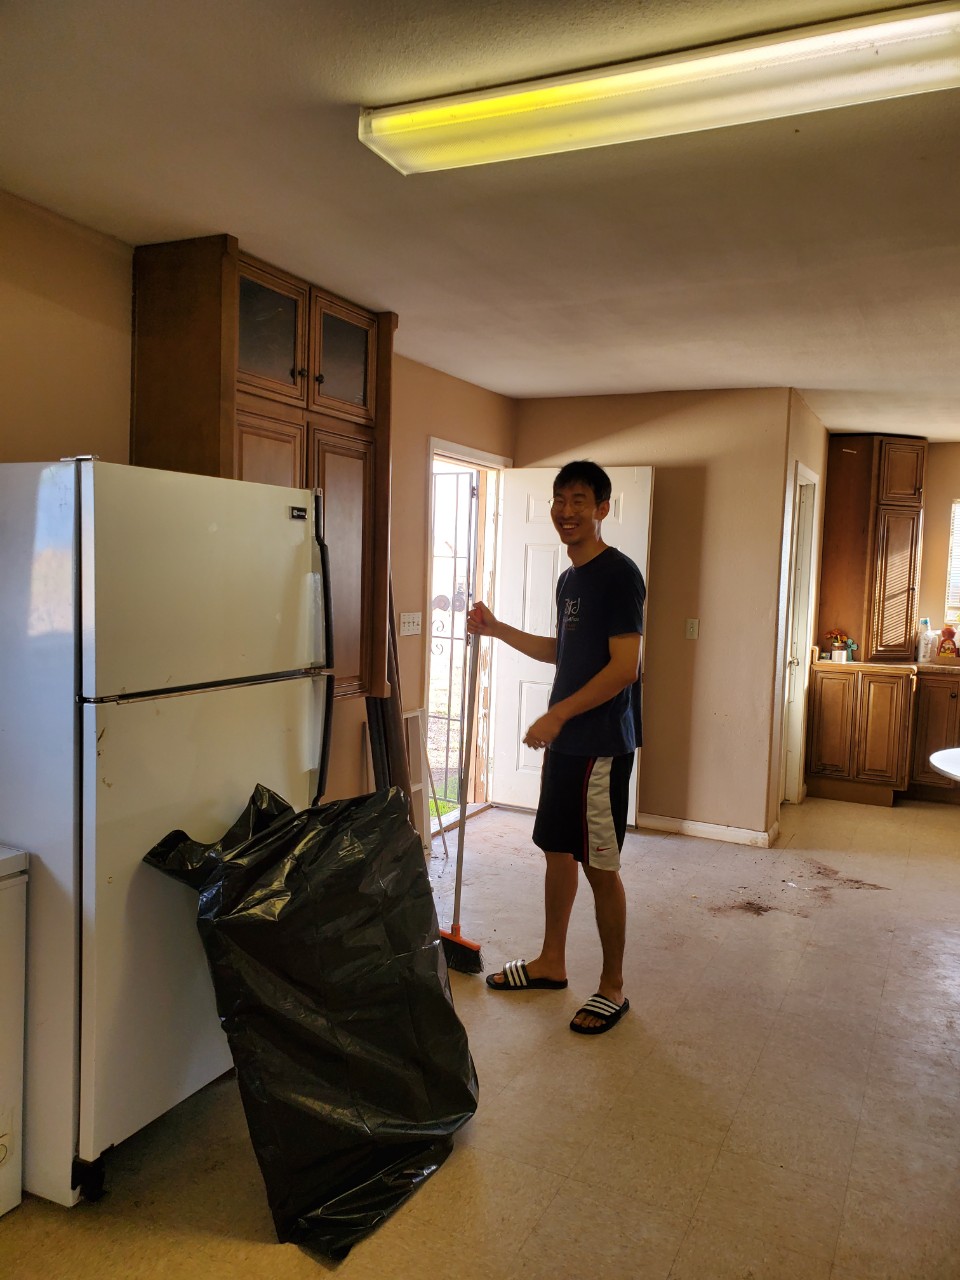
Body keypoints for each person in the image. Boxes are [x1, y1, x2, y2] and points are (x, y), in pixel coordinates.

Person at [467, 460, 645, 1035]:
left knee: (599, 866)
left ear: (602, 509)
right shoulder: (571, 578)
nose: (566, 512)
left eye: (579, 501)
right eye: (559, 500)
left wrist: (558, 714)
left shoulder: (618, 575)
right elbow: (562, 652)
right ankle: (551, 962)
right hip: (568, 745)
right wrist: (496, 629)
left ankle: (612, 987)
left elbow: (624, 668)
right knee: (557, 851)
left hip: (599, 746)